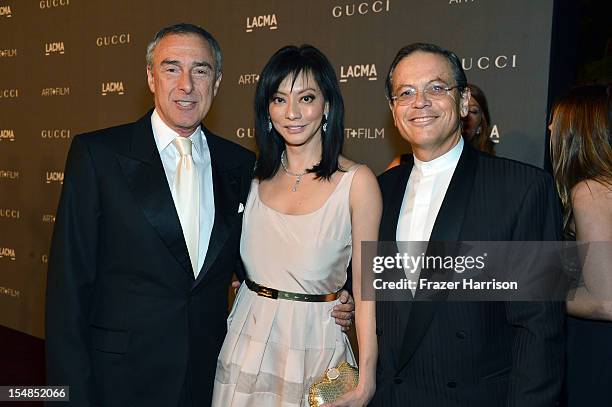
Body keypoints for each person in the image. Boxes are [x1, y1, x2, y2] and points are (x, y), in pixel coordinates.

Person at [45, 24, 354, 407]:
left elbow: (275, 251)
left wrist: (340, 297)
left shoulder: (241, 165)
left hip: (211, 376)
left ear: (218, 81)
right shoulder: (98, 155)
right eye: (172, 68)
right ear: (150, 77)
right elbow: (67, 288)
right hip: (120, 378)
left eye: (201, 70)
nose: (186, 85)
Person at [371, 43, 565, 406]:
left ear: (463, 103)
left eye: (436, 88)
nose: (421, 102)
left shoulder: (522, 190)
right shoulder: (378, 193)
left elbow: (539, 330)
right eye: (406, 93)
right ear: (394, 111)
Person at [212, 45, 381, 407]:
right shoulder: (249, 177)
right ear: (266, 110)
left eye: (306, 97)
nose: (292, 113)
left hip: (318, 349)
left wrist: (366, 380)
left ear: (327, 106)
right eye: (278, 99)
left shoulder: (357, 182)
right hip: (246, 343)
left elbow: (367, 290)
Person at [548, 84, 612, 406]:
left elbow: (606, 301)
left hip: (597, 354)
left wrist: (533, 288)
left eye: (556, 121)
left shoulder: (590, 189)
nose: (548, 128)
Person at [386, 83, 494, 169]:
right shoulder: (400, 167)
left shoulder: (496, 171)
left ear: (482, 124)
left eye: (473, 111)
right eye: (406, 93)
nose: (464, 117)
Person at [462, 83, 495, 155]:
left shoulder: (489, 163)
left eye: (473, 111)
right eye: (460, 108)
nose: (465, 115)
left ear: (481, 125)